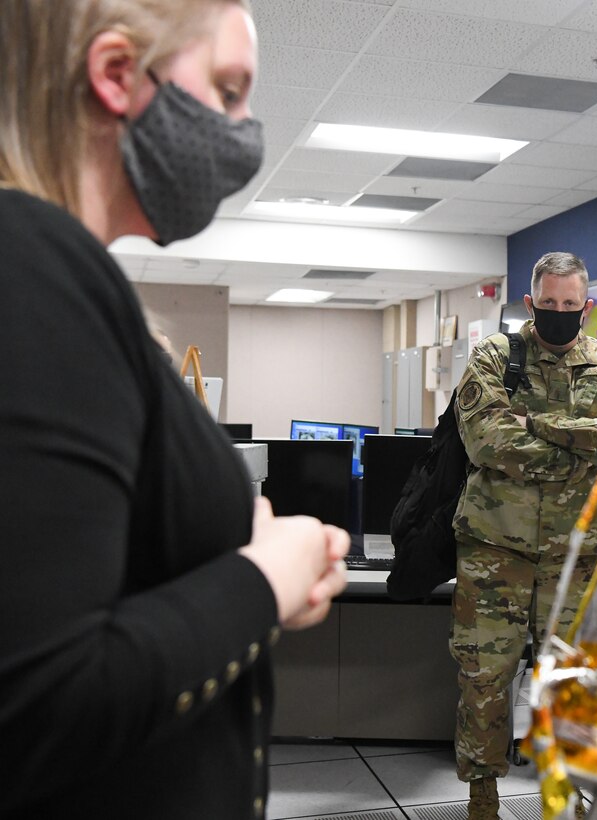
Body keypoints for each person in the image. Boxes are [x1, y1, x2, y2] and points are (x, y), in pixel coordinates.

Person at [0, 1, 349, 817]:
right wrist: (268, 575)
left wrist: (240, 549)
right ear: (117, 74)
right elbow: (40, 704)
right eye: (228, 92)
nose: (245, 129)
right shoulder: (32, 265)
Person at [451, 252, 597, 819]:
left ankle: (571, 797)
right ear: (531, 304)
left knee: (576, 686)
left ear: (586, 307)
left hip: (577, 559)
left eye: (570, 305)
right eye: (549, 304)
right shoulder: (494, 356)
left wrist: (535, 424)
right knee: (484, 679)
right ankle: (482, 799)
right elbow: (486, 441)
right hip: (495, 551)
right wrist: (579, 454)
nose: (560, 313)